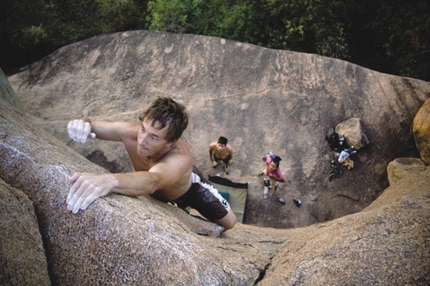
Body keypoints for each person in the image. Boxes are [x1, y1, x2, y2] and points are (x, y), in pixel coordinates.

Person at [66, 97, 236, 230]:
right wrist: (81, 124)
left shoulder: (180, 157)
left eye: (153, 137)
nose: (142, 140)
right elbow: (91, 123)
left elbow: (153, 180)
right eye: (143, 129)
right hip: (156, 190)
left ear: (171, 142)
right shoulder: (130, 133)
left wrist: (109, 181)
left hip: (189, 191)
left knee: (229, 222)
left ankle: (187, 204)